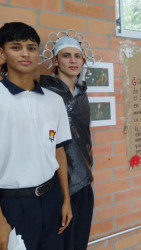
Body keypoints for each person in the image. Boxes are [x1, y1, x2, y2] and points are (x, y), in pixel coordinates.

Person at [0, 22, 72, 250]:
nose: (25, 53)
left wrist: (66, 200)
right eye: (16, 47)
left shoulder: (54, 100)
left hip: (51, 198)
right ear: (2, 53)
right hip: (11, 203)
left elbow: (59, 151)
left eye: (31, 48)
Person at [39, 33, 94, 250]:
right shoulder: (44, 94)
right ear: (55, 61)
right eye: (66, 56)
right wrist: (63, 194)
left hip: (83, 181)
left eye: (77, 56)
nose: (73, 61)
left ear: (83, 61)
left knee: (79, 241)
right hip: (57, 184)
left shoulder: (82, 93)